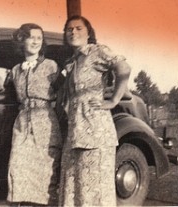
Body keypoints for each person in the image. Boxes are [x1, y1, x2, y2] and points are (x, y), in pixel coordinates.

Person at [58, 15, 131, 206]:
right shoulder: (71, 62)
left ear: (88, 32)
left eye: (79, 28)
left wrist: (114, 100)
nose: (73, 32)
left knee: (95, 186)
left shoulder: (97, 52)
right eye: (69, 29)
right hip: (75, 132)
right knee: (76, 185)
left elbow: (123, 68)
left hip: (95, 130)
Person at [0, 23, 63, 206]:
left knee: (45, 172)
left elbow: (63, 90)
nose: (35, 41)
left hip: (45, 123)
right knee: (17, 167)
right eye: (31, 37)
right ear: (21, 40)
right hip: (23, 123)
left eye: (39, 38)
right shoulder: (16, 69)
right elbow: (4, 80)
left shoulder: (51, 66)